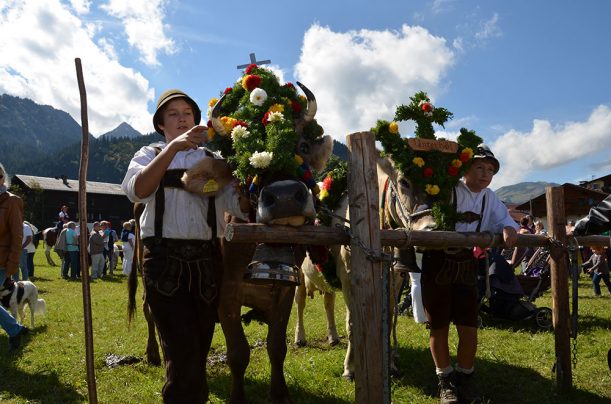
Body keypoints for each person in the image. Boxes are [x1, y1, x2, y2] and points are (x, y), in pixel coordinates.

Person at [121, 89, 250, 402]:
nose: (182, 118)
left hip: (207, 262)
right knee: (183, 351)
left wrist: (249, 175)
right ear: (161, 124)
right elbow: (137, 190)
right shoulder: (148, 154)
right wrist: (173, 149)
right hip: (163, 261)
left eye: (187, 113)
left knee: (199, 347)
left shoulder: (215, 161)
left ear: (197, 120)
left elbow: (242, 208)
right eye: (173, 114)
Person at [420, 144, 518, 404]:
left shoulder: (490, 198)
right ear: (465, 168)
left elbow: (507, 221)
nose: (486, 174)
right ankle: (445, 383)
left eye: (490, 170)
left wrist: (508, 229)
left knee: (468, 326)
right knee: (438, 326)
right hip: (437, 261)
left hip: (466, 263)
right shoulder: (447, 189)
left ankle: (465, 380)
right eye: (479, 167)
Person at [0, 163, 29, 350]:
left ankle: (15, 330)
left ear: (2, 178)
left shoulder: (12, 201)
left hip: (1, 261)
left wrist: (12, 265)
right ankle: (16, 329)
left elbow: (17, 236)